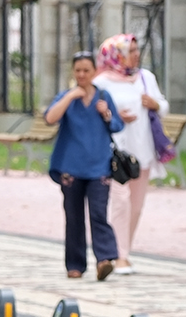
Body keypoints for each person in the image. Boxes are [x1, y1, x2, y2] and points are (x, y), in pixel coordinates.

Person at [44, 51, 125, 280]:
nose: (81, 74)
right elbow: (50, 118)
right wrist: (71, 97)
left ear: (94, 72)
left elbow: (117, 125)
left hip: (99, 167)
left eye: (86, 70)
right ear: (73, 72)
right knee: (74, 217)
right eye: (77, 70)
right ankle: (75, 264)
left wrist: (106, 113)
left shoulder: (103, 96)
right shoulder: (66, 97)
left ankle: (105, 259)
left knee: (99, 214)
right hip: (71, 168)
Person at [94, 33, 168, 274]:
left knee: (136, 206)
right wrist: (116, 116)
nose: (136, 55)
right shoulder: (102, 82)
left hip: (142, 149)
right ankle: (120, 255)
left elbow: (163, 105)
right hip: (116, 151)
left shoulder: (145, 77)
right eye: (130, 51)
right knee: (120, 201)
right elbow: (95, 112)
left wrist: (155, 104)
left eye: (137, 50)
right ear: (116, 55)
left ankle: (125, 248)